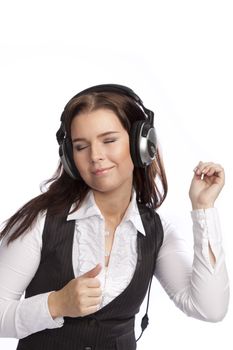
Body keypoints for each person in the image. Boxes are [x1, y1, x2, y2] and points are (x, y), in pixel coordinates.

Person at [0, 84, 229, 350]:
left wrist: (203, 209)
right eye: (81, 146)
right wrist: (56, 304)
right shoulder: (41, 222)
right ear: (70, 157)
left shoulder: (156, 232)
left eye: (109, 140)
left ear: (141, 144)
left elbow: (210, 309)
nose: (95, 156)